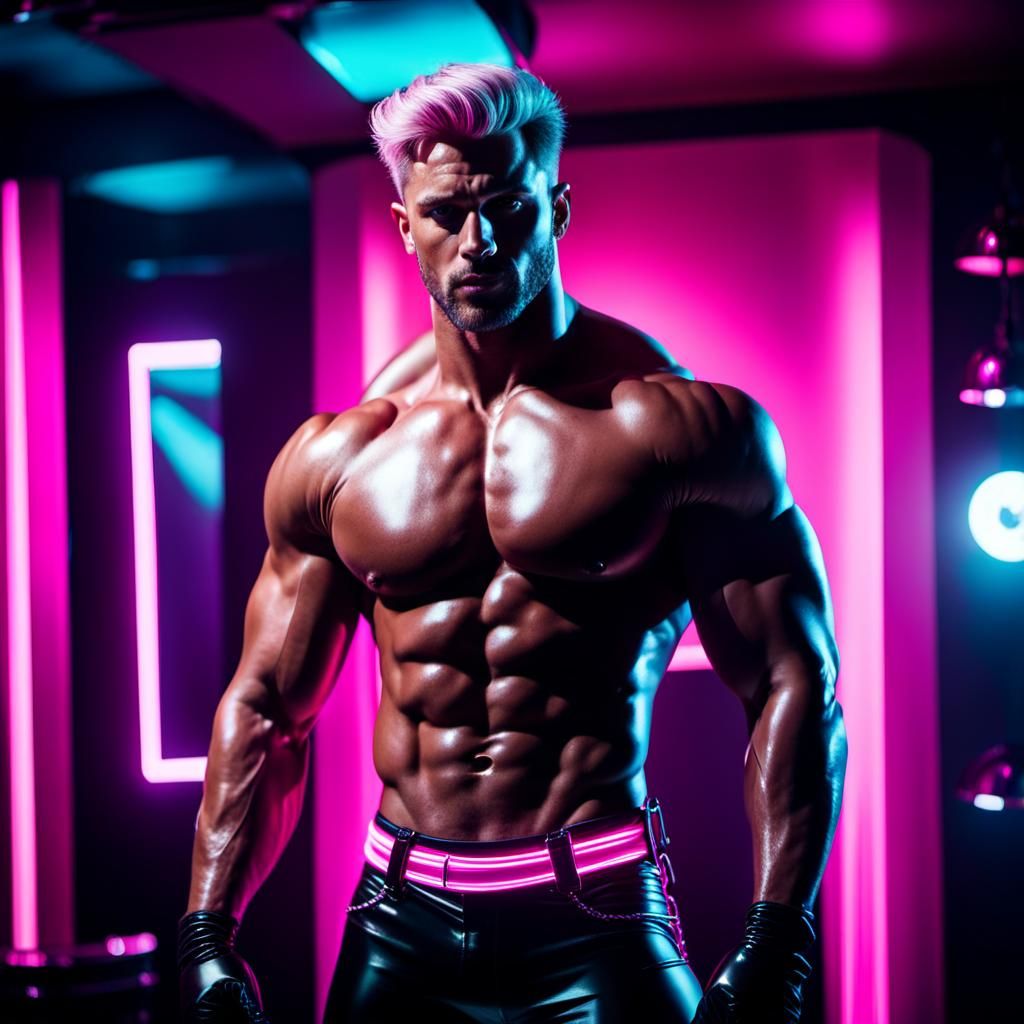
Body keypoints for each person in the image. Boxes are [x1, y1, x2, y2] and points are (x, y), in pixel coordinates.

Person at [177, 62, 847, 1024]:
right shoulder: (341, 457)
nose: (479, 243)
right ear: (405, 226)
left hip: (596, 911)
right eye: (447, 213)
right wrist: (208, 932)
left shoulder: (677, 430)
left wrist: (779, 940)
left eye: (509, 208)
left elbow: (792, 681)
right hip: (396, 915)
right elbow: (269, 707)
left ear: (559, 205)